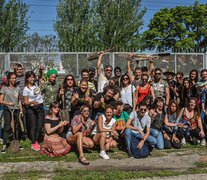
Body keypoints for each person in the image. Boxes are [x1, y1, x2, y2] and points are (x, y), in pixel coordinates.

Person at [0, 72, 23, 153]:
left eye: (15, 78)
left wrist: (21, 110)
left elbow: (19, 100)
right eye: (12, 78)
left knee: (16, 127)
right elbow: (1, 100)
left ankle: (16, 142)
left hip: (16, 109)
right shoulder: (4, 88)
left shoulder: (17, 88)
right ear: (9, 79)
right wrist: (8, 103)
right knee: (7, 127)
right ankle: (5, 145)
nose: (14, 79)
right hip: (8, 110)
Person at [23, 71, 44, 151]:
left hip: (40, 106)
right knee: (33, 126)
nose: (32, 78)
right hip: (31, 108)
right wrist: (32, 102)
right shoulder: (26, 89)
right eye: (31, 77)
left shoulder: (35, 84)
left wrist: (40, 69)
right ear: (27, 78)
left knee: (40, 125)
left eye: (33, 77)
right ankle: (34, 142)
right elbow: (25, 102)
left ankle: (36, 139)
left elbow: (40, 75)